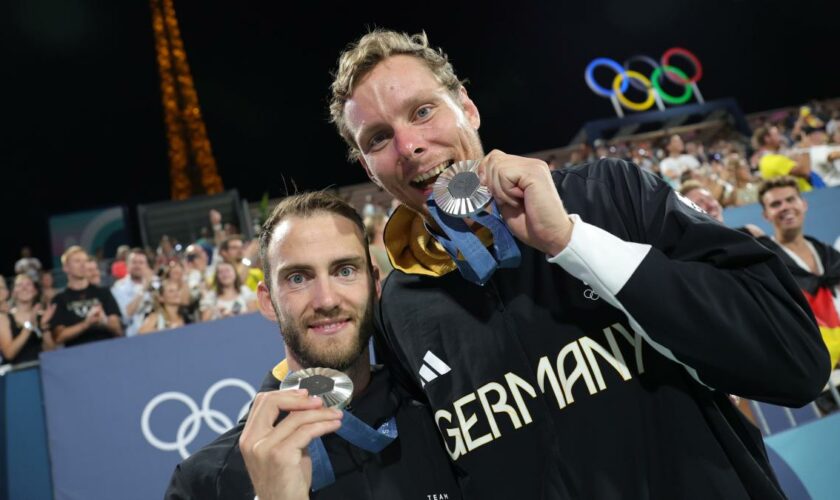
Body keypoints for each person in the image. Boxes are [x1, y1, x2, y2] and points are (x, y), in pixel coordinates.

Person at [328, 30, 829, 498]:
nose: (409, 146)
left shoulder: (610, 194)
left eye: (422, 111)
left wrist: (572, 241)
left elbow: (795, 361)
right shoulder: (398, 307)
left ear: (467, 107)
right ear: (366, 166)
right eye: (376, 138)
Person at [166, 192, 461, 499]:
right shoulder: (203, 482)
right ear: (268, 302)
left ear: (374, 284)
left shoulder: (446, 421)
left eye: (345, 271)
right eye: (297, 278)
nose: (327, 300)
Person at [757, 176, 840, 369]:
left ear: (804, 204)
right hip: (818, 370)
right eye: (776, 204)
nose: (785, 207)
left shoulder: (827, 252)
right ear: (766, 215)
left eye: (791, 199)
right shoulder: (765, 261)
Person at [50, 246, 122, 347]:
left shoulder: (103, 293)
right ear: (66, 268)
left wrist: (104, 321)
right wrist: (86, 324)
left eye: (85, 261)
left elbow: (118, 330)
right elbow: (59, 337)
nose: (83, 265)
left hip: (107, 350)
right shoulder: (59, 299)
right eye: (77, 261)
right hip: (77, 355)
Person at [0, 274, 56, 364]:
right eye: (19, 285)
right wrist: (29, 326)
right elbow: (9, 354)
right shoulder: (4, 318)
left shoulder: (43, 316)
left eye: (28, 284)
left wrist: (44, 326)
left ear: (35, 291)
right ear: (13, 292)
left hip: (45, 370)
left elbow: (52, 352)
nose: (24, 288)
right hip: (18, 373)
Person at [111, 248, 155, 336]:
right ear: (127, 265)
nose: (137, 266)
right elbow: (126, 316)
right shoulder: (119, 287)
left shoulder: (155, 281)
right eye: (134, 262)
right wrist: (143, 289)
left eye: (141, 263)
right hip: (135, 335)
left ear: (147, 266)